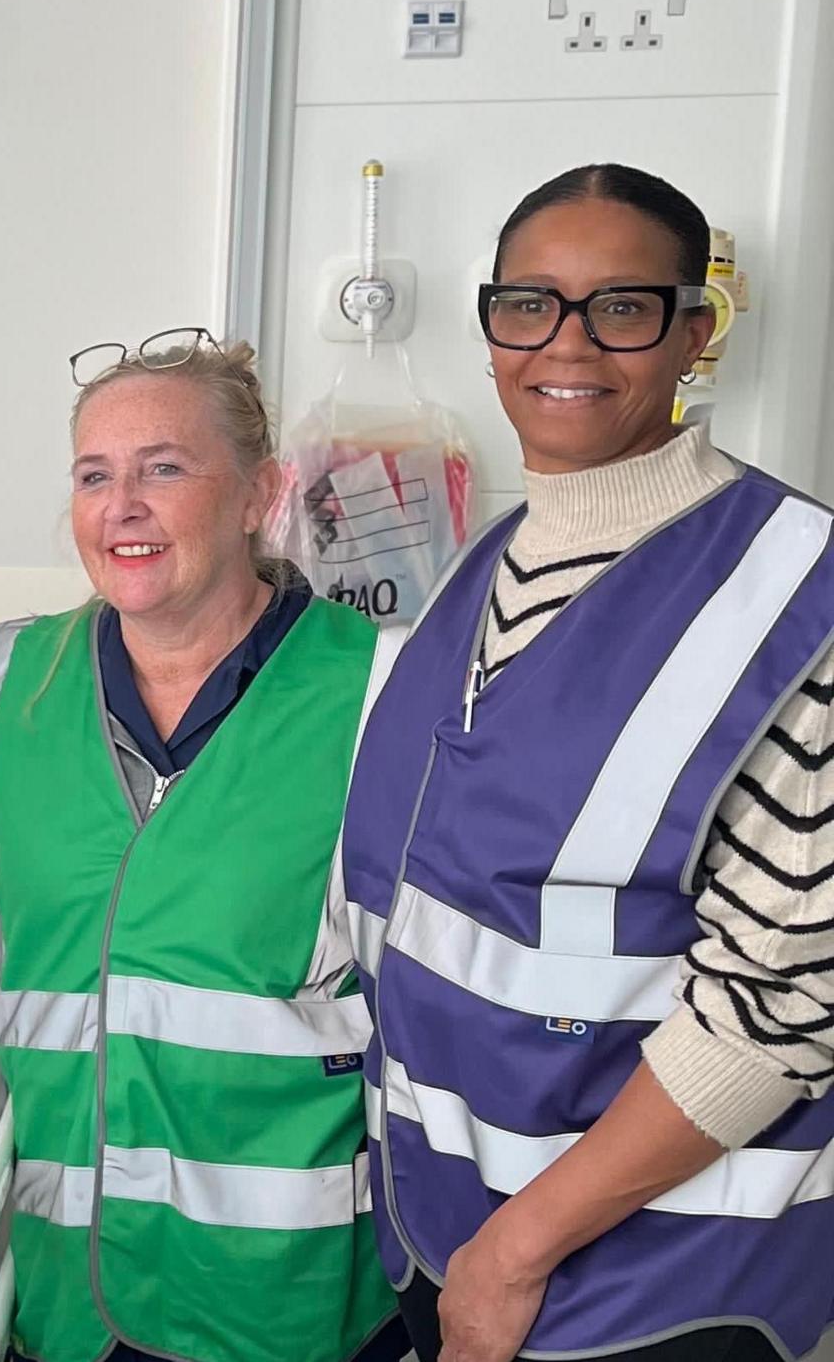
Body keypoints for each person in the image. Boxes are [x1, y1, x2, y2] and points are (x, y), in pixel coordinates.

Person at [0, 333, 406, 1362]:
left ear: (259, 494)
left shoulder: (377, 694)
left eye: (164, 468)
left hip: (287, 1300)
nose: (123, 506)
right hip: (72, 1296)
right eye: (93, 475)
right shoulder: (3, 692)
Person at [343, 163, 834, 1362]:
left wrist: (513, 1258)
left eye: (621, 306)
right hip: (453, 1231)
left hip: (658, 1282)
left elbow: (779, 1008)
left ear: (693, 333)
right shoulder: (482, 568)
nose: (565, 343)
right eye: (529, 304)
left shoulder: (794, 600)